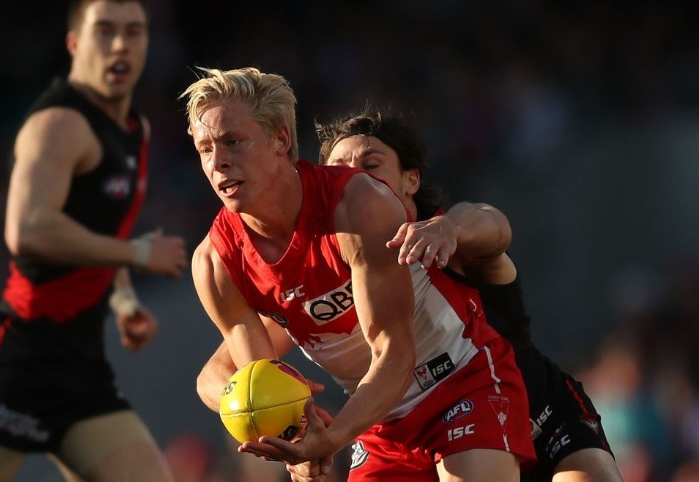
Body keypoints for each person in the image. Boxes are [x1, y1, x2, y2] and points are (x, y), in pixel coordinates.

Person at [197, 107, 625, 481]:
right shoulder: (313, 271)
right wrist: (273, 416)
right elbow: (219, 375)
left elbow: (492, 224)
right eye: (341, 168)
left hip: (530, 405)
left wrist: (451, 230)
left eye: (370, 164)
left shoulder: (441, 237)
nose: (354, 177)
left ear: (410, 180)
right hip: (391, 425)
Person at [0, 0, 187, 480]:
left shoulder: (133, 131)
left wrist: (122, 302)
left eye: (133, 32)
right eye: (105, 32)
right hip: (19, 358)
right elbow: (28, 229)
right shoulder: (57, 123)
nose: (121, 45)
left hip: (81, 368)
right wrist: (137, 253)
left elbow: (98, 232)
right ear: (75, 43)